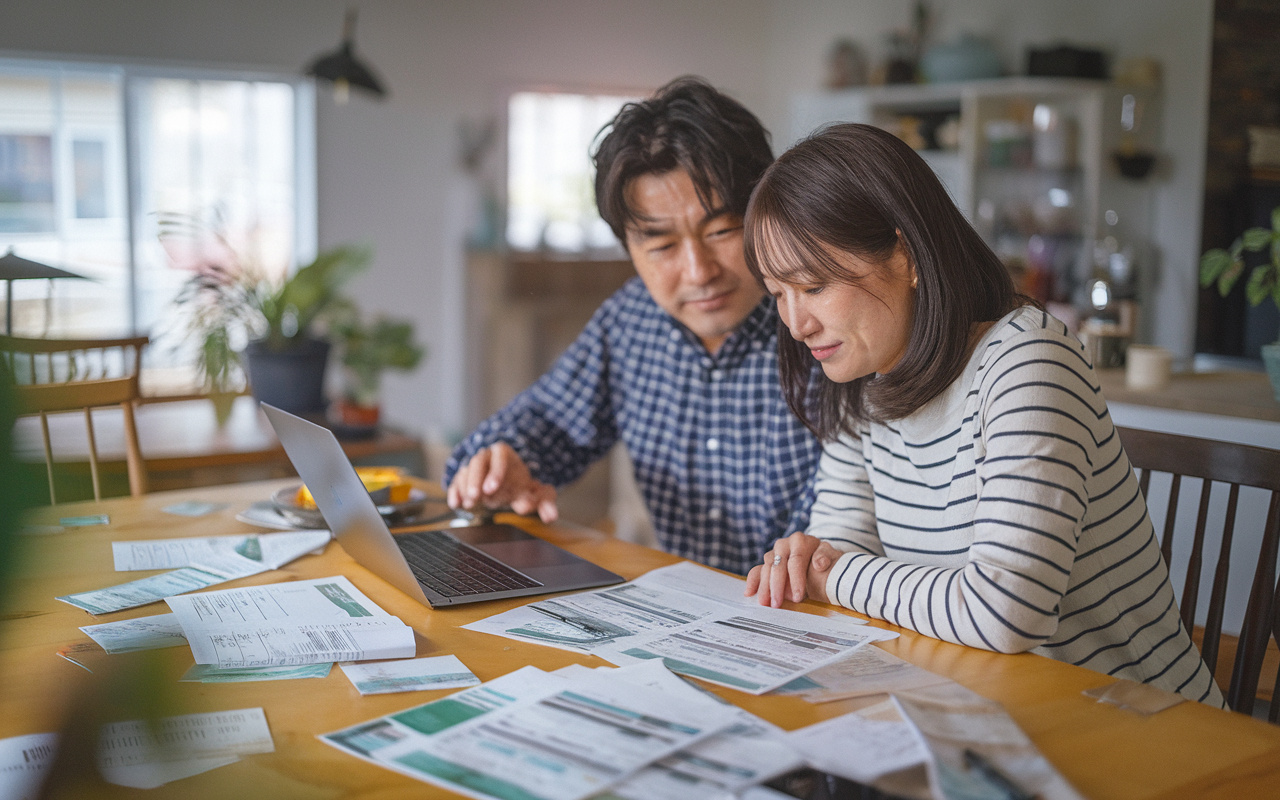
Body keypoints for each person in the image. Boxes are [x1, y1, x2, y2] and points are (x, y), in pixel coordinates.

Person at [742, 123, 1223, 705]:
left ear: (906, 255)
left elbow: (1002, 610)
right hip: (986, 706)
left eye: (812, 285)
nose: (796, 324)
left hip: (1146, 732)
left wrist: (830, 574)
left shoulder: (1027, 361)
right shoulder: (859, 381)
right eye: (777, 294)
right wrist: (819, 565)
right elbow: (839, 542)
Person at [444, 77, 821, 575]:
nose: (699, 271)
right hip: (692, 620)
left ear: (767, 208)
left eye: (723, 230)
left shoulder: (823, 323)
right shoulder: (631, 321)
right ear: (629, 250)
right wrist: (499, 466)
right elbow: (550, 421)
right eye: (662, 246)